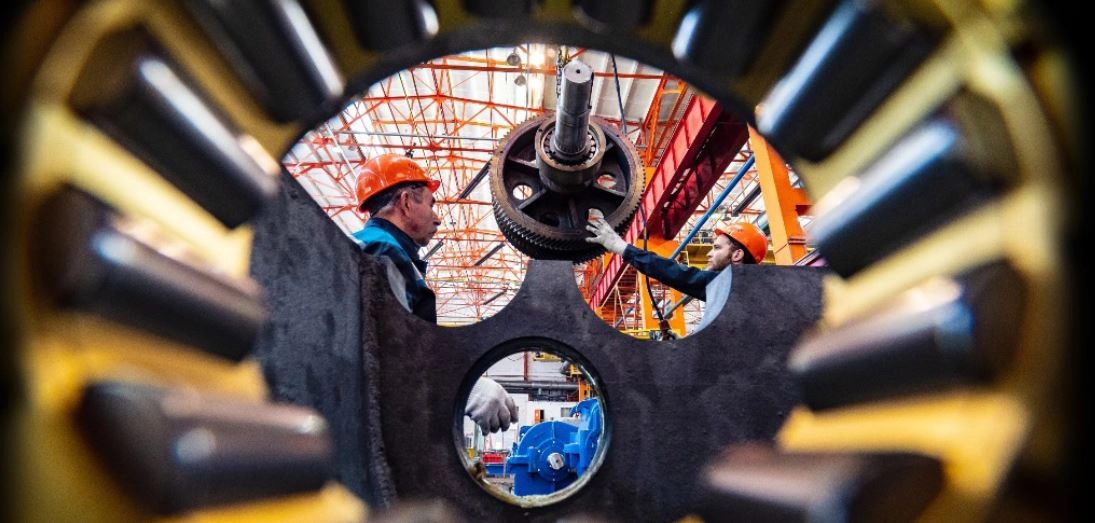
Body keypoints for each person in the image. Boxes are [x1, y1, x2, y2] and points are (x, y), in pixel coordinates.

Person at [353, 153, 517, 433]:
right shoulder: (382, 252)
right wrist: (462, 387)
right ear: (406, 202)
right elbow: (389, 351)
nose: (438, 218)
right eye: (431, 204)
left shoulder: (378, 250)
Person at [585, 218, 768, 330]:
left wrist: (622, 248)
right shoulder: (752, 293)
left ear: (737, 255)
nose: (709, 254)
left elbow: (677, 274)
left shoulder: (732, 285)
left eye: (717, 248)